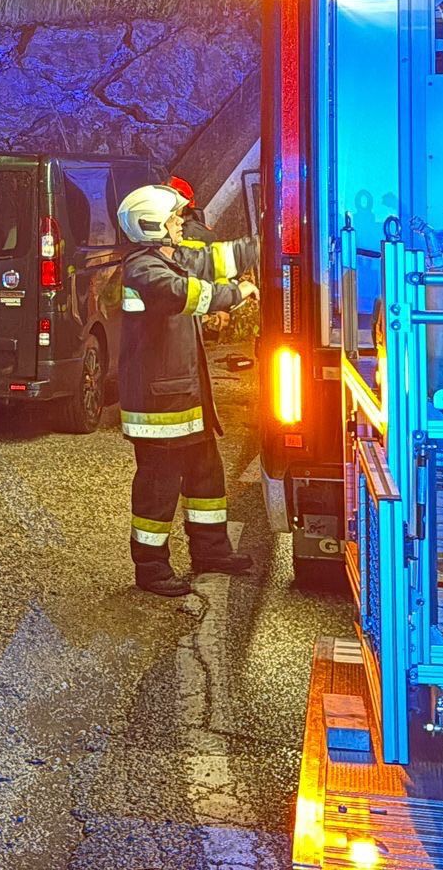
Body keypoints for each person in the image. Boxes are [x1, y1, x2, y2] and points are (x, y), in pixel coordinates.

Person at [115, 183, 258, 597]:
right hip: (161, 408)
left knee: (205, 476)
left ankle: (211, 551)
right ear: (153, 224)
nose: (181, 223)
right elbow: (186, 294)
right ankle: (151, 569)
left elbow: (216, 257)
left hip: (184, 399)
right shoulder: (143, 270)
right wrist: (237, 293)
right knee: (158, 488)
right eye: (174, 218)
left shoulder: (170, 258)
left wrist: (268, 240)